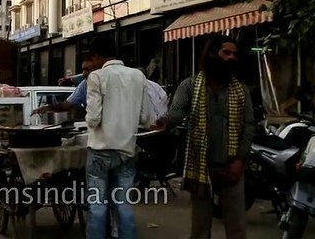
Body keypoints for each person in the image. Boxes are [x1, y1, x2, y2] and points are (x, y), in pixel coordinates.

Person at [153, 35, 255, 239]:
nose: (231, 58)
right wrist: (161, 122)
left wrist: (239, 160)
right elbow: (177, 112)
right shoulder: (190, 86)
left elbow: (249, 125)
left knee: (237, 230)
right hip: (201, 167)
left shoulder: (241, 90)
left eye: (234, 54)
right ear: (211, 54)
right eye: (226, 52)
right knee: (199, 230)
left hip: (231, 167)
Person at [84, 35, 154, 239]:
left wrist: (90, 118)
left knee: (98, 206)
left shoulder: (96, 76)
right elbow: (146, 117)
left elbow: (94, 118)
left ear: (96, 56)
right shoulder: (138, 76)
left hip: (99, 153)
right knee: (123, 206)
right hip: (126, 152)